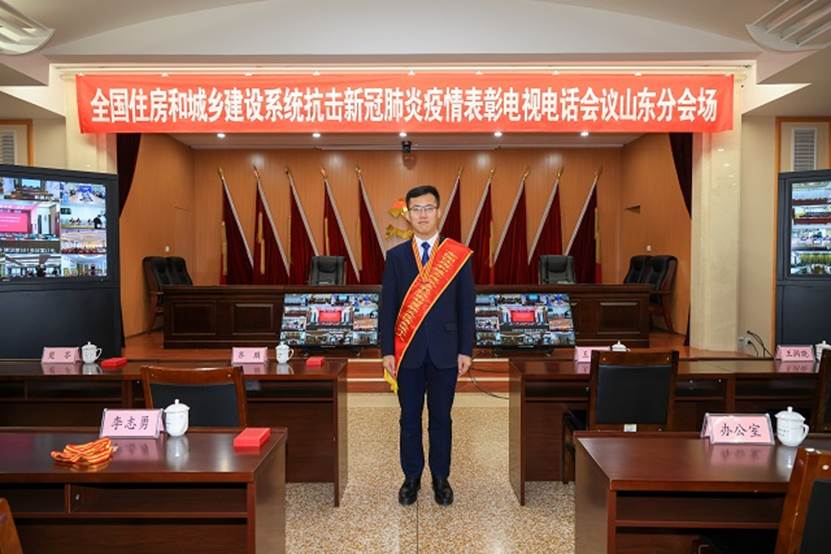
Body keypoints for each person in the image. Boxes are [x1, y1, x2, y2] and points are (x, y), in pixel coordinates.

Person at [380, 184, 474, 507]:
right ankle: (411, 477)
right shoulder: (396, 257)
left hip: (446, 352)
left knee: (441, 419)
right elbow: (388, 308)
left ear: (439, 212)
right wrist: (387, 351)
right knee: (409, 419)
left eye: (428, 208)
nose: (422, 215)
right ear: (408, 215)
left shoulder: (457, 256)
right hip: (407, 353)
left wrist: (466, 349)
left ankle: (440, 477)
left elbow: (466, 306)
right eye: (416, 209)